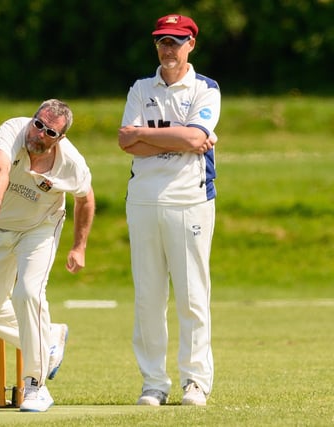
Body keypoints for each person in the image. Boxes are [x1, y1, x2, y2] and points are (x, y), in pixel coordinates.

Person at [0, 99, 95, 412]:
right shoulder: (11, 130)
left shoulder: (71, 163)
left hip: (39, 229)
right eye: (38, 124)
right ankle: (48, 336)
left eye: (49, 132)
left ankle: (35, 386)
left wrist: (79, 246)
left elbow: (86, 199)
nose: (39, 134)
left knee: (29, 293)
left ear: (59, 139)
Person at [117, 14, 221, 407]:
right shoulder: (141, 89)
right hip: (143, 199)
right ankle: (154, 383)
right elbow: (127, 141)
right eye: (162, 41)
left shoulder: (205, 89)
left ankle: (195, 382)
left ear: (191, 44)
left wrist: (148, 134)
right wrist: (175, 139)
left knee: (192, 295)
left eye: (176, 41)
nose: (168, 48)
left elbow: (197, 136)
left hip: (189, 200)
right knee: (148, 296)